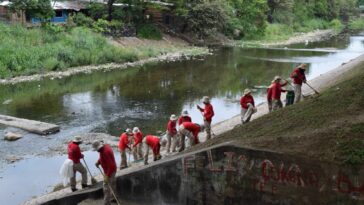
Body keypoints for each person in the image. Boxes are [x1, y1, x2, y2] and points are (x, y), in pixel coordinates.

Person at [92, 140, 117, 205]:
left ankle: (107, 203)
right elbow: (102, 157)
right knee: (112, 184)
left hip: (110, 171)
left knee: (106, 187)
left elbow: (110, 165)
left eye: (97, 149)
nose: (97, 151)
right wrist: (99, 162)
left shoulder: (106, 151)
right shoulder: (103, 148)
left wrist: (107, 175)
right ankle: (113, 198)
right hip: (110, 170)